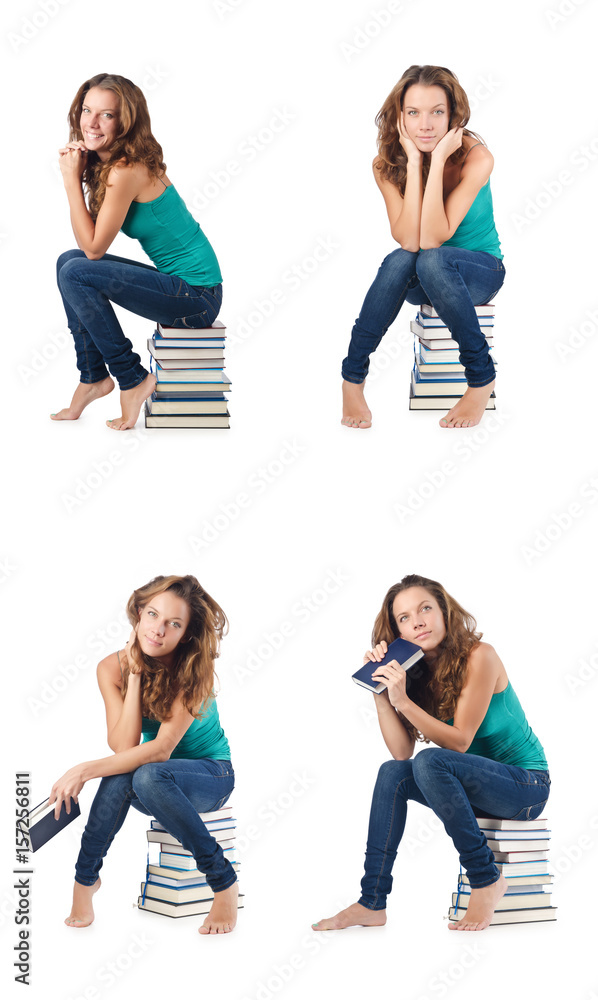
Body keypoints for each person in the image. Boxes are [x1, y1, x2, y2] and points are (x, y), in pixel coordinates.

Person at [313, 574, 550, 932]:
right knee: (392, 774)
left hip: (524, 786)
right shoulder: (416, 672)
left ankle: (486, 879)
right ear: (397, 632)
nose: (418, 621)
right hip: (476, 791)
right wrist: (380, 691)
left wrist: (403, 701)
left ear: (444, 612)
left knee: (431, 760)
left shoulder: (480, 656)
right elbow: (400, 752)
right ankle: (372, 901)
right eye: (405, 618)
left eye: (425, 608)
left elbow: (460, 742)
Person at [49, 574, 238, 934]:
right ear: (138, 613)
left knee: (148, 771)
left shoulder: (194, 667)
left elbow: (161, 749)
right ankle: (85, 880)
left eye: (174, 623)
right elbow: (124, 746)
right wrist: (134, 673)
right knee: (130, 771)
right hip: (153, 784)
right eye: (152, 615)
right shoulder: (111, 668)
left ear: (186, 633)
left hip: (211, 775)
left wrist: (83, 770)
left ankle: (223, 882)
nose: (158, 629)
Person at [52, 74, 223, 430]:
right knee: (68, 261)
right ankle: (93, 377)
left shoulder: (126, 170)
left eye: (106, 115)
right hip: (179, 286)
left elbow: (95, 249)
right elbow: (88, 244)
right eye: (87, 110)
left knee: (76, 268)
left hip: (197, 298)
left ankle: (131, 379)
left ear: (125, 122)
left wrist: (70, 181)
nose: (92, 122)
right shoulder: (113, 165)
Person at [341, 65, 506, 430]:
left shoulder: (478, 158)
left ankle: (481, 378)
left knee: (431, 259)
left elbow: (433, 239)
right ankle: (352, 379)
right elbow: (409, 240)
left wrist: (439, 160)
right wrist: (415, 161)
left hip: (480, 271)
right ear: (399, 118)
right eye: (413, 113)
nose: (426, 125)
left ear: (454, 115)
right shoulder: (385, 166)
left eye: (437, 112)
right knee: (403, 259)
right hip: (424, 274)